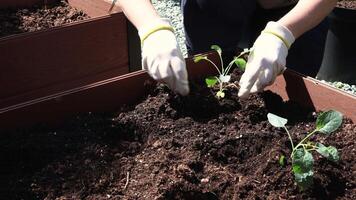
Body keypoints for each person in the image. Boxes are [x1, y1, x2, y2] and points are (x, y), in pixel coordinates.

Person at [117, 0, 337, 98]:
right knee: (206, 74)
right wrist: (151, 27)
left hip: (292, 7)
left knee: (288, 90)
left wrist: (285, 33)